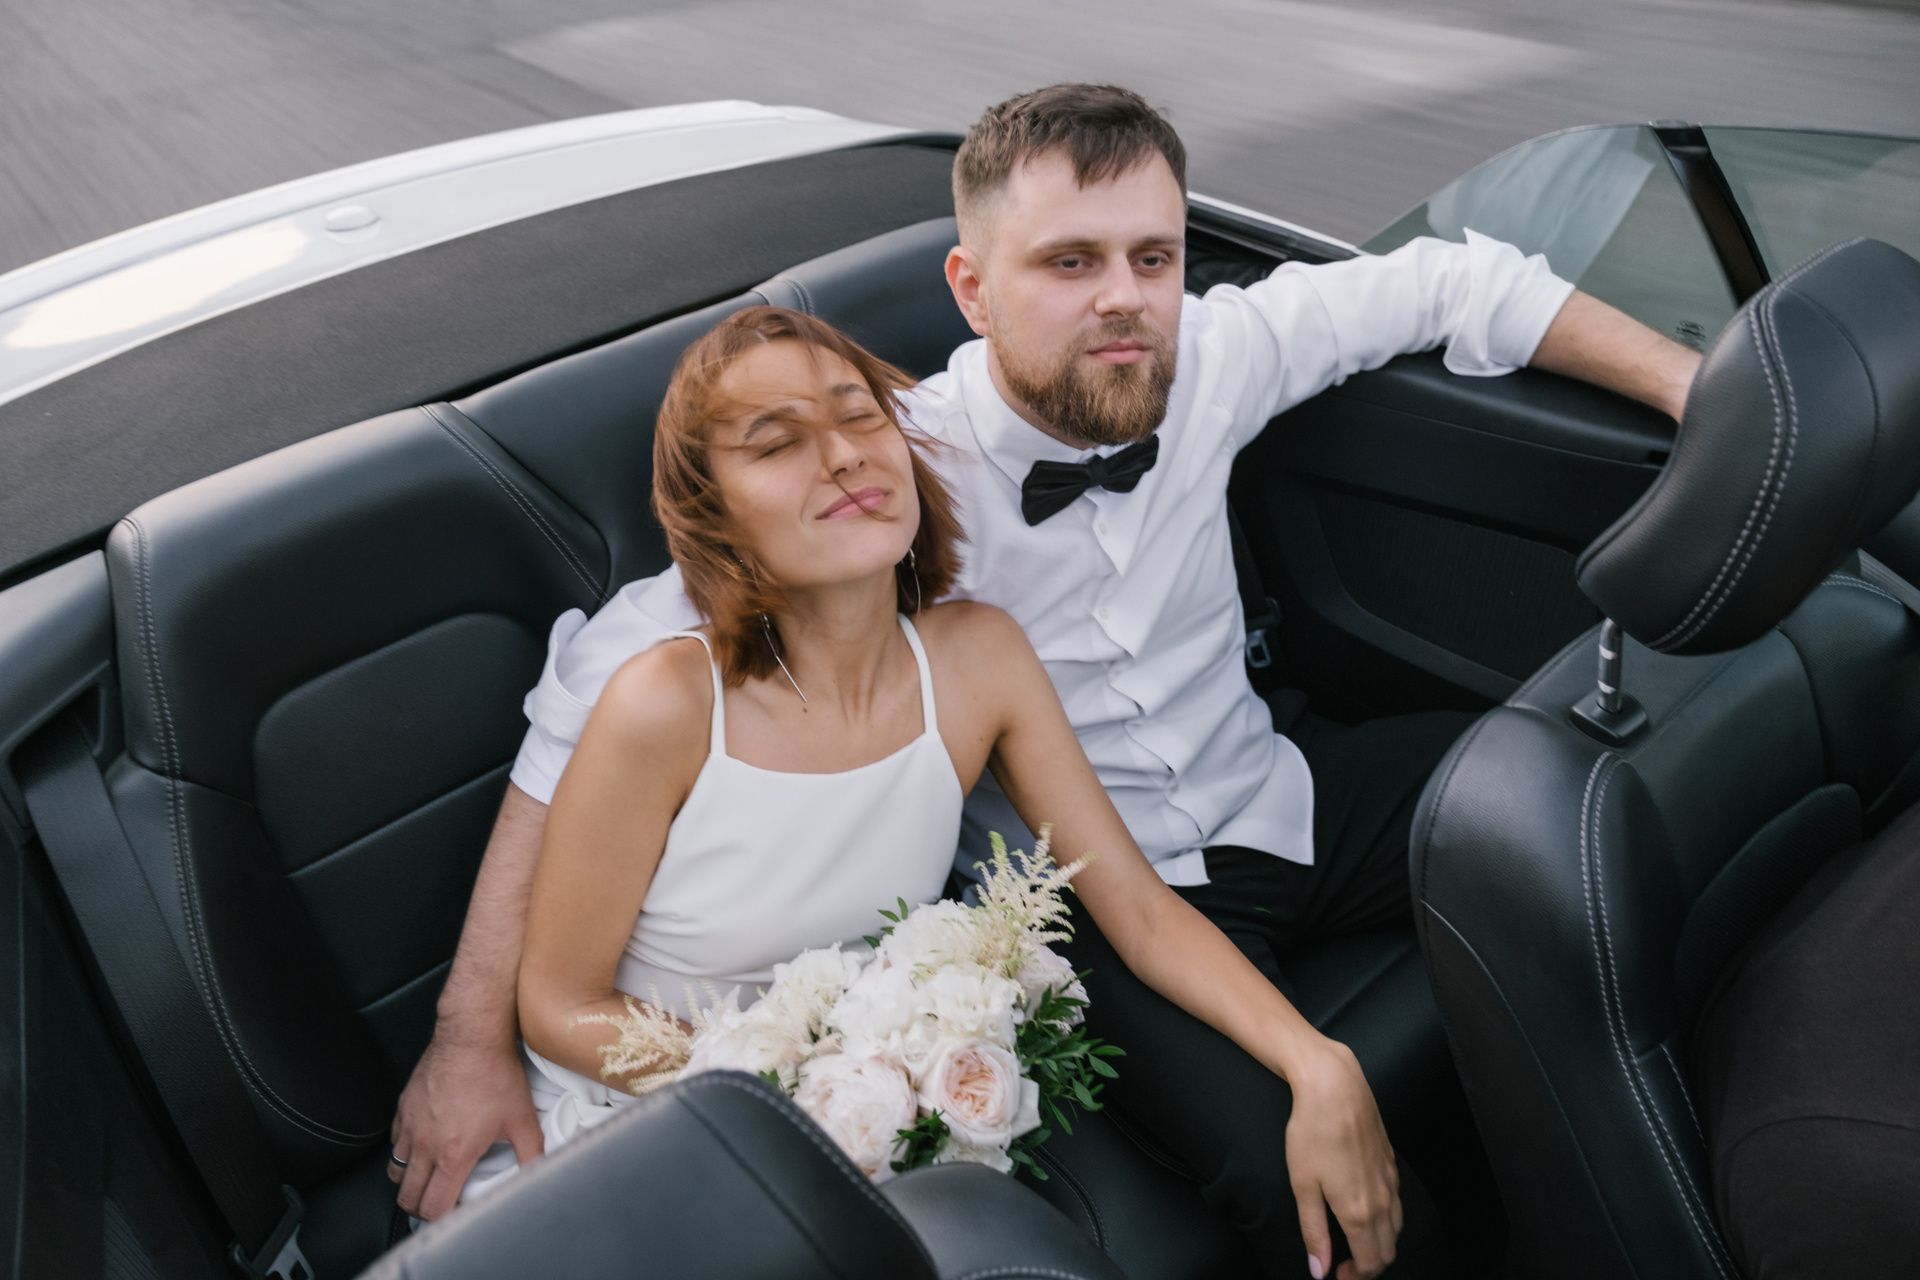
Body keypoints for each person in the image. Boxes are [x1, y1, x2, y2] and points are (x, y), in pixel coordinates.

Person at [390, 84, 1702, 1277]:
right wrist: (467, 1033)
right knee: (1293, 1185)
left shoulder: (1210, 352)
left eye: (1152, 256)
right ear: (973, 288)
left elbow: (1455, 283)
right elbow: (595, 694)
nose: (1124, 297)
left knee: (1601, 785)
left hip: (1276, 786)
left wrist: (1710, 395)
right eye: (1070, 262)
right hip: (1085, 895)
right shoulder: (884, 473)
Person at [455, 306, 1404, 1277]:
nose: (841, 455)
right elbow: (559, 1006)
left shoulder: (980, 659)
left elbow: (1140, 910)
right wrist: (808, 1090)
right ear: (715, 515)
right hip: (657, 1118)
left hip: (879, 1114)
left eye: (859, 417)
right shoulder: (663, 702)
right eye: (777, 443)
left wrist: (1313, 1060)